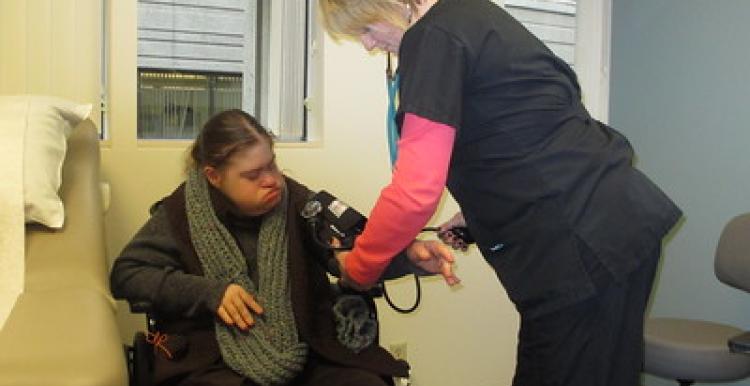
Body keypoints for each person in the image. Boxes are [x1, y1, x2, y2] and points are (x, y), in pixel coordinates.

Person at [318, 1, 683, 386]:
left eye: (366, 29)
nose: (368, 46)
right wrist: (478, 212)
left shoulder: (431, 38)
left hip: (579, 249)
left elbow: (414, 192)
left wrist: (359, 269)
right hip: (616, 223)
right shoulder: (473, 15)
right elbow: (529, 122)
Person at [109, 109, 459, 386]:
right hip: (214, 356)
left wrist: (408, 258)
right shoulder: (179, 215)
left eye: (272, 164)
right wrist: (210, 294)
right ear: (214, 176)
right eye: (253, 174)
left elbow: (352, 259)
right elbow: (127, 274)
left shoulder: (296, 200)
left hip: (305, 345)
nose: (272, 179)